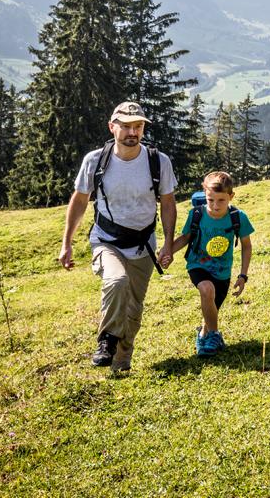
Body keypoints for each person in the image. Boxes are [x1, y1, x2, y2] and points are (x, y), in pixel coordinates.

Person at [60, 102, 178, 372]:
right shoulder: (95, 161)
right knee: (117, 280)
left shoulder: (158, 161)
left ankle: (121, 362)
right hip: (106, 240)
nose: (131, 132)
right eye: (125, 126)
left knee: (134, 310)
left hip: (143, 245)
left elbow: (168, 203)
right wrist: (66, 243)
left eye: (137, 126)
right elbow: (79, 202)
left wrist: (169, 243)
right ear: (112, 127)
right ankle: (107, 339)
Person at [159, 171, 254, 357]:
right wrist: (168, 252)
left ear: (231, 197)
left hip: (222, 272)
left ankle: (204, 336)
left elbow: (247, 247)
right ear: (205, 194)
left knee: (211, 309)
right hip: (198, 265)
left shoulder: (238, 217)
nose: (215, 206)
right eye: (211, 200)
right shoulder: (196, 214)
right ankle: (215, 335)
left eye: (221, 201)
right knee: (206, 290)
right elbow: (185, 237)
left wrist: (243, 275)